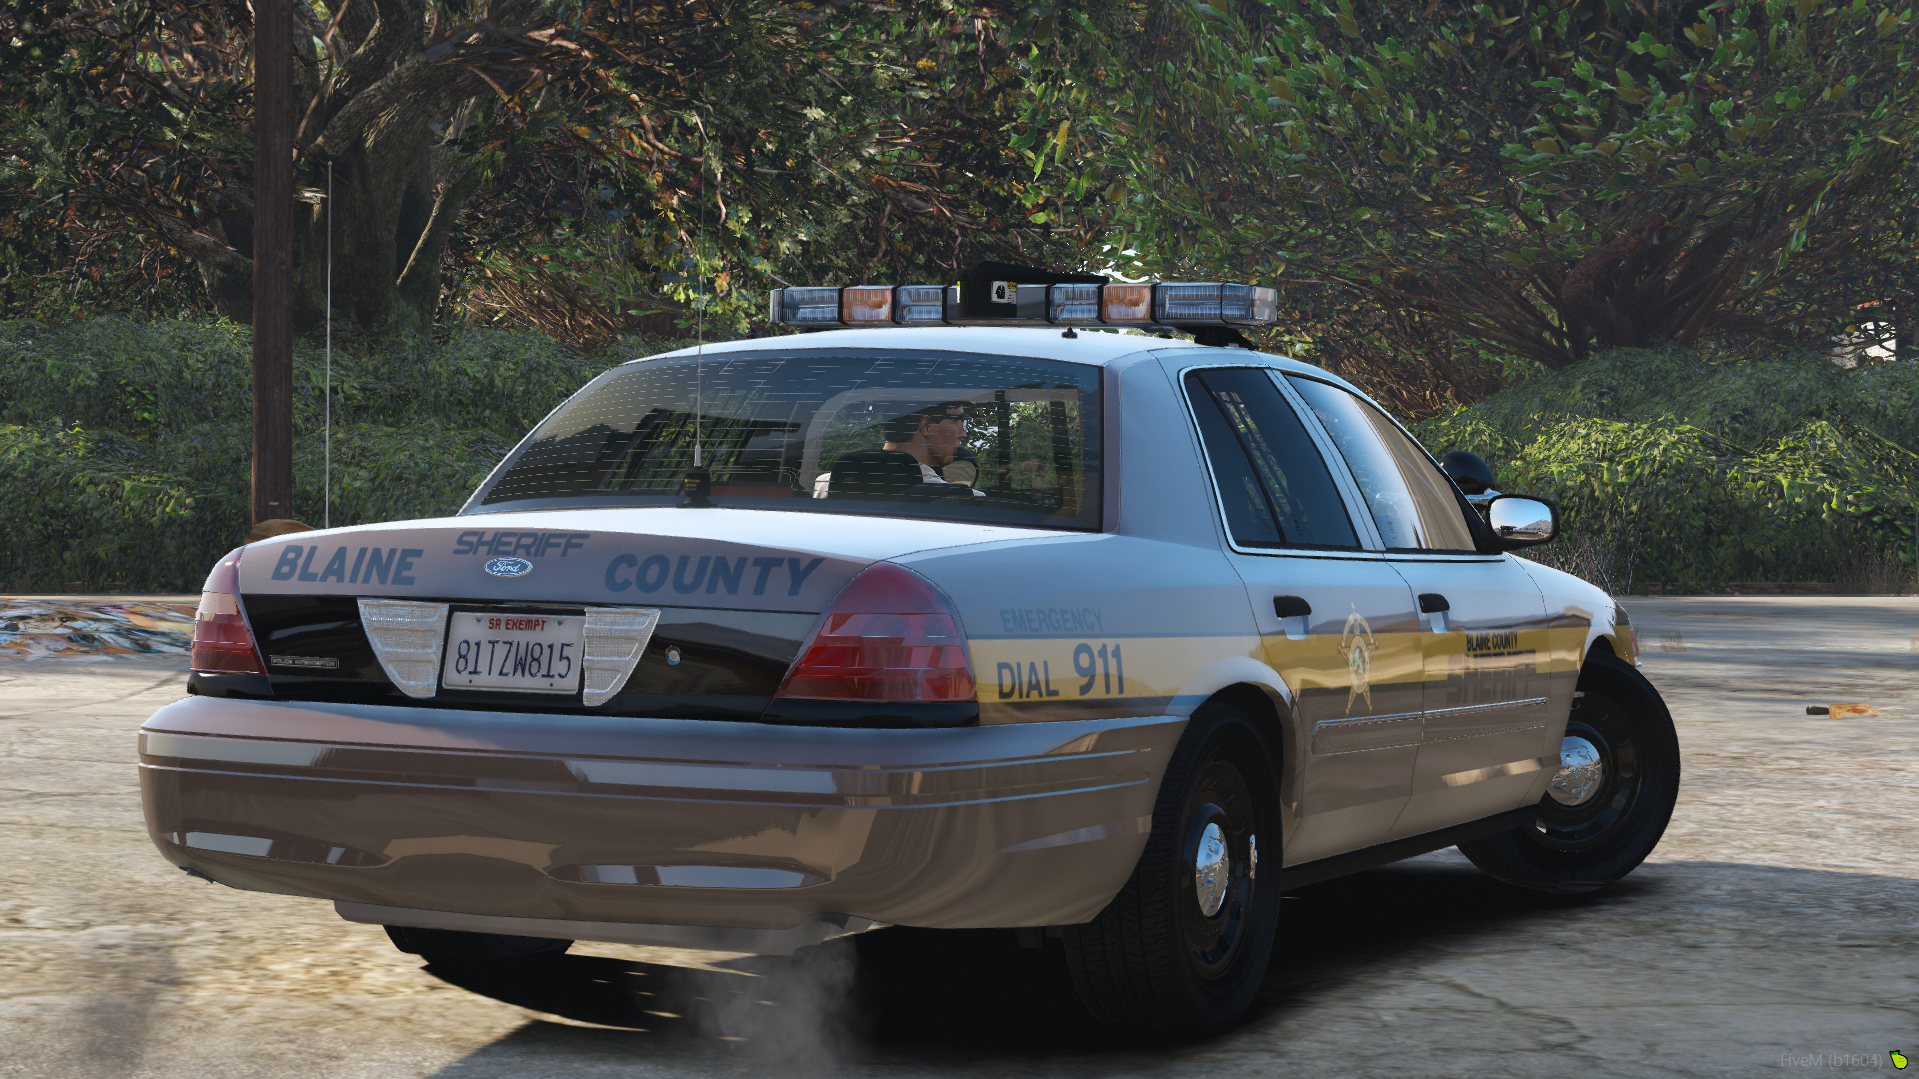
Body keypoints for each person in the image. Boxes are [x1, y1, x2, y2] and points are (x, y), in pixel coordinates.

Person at [816, 402, 987, 500]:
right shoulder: (967, 501)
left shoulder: (824, 485)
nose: (962, 434)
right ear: (926, 426)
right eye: (957, 422)